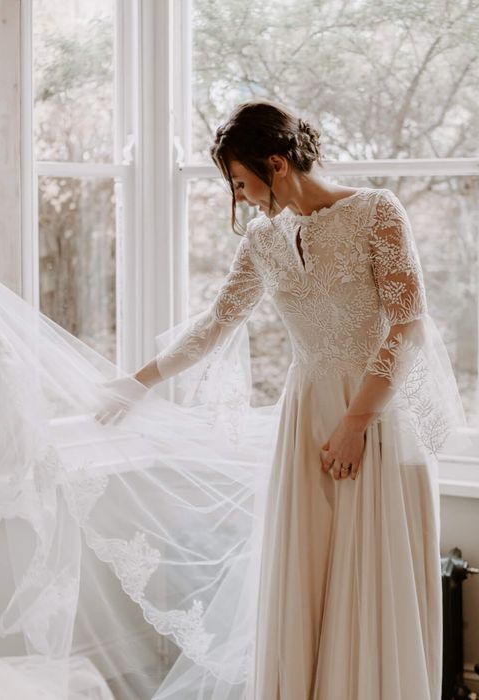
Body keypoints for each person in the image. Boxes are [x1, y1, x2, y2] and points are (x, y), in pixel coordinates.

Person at [122, 100, 456, 698]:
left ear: (276, 164)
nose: (243, 197)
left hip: (375, 415)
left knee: (372, 579)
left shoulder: (377, 212)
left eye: (243, 183)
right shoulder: (262, 239)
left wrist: (356, 422)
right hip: (304, 421)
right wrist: (137, 382)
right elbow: (217, 322)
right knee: (308, 576)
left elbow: (409, 325)